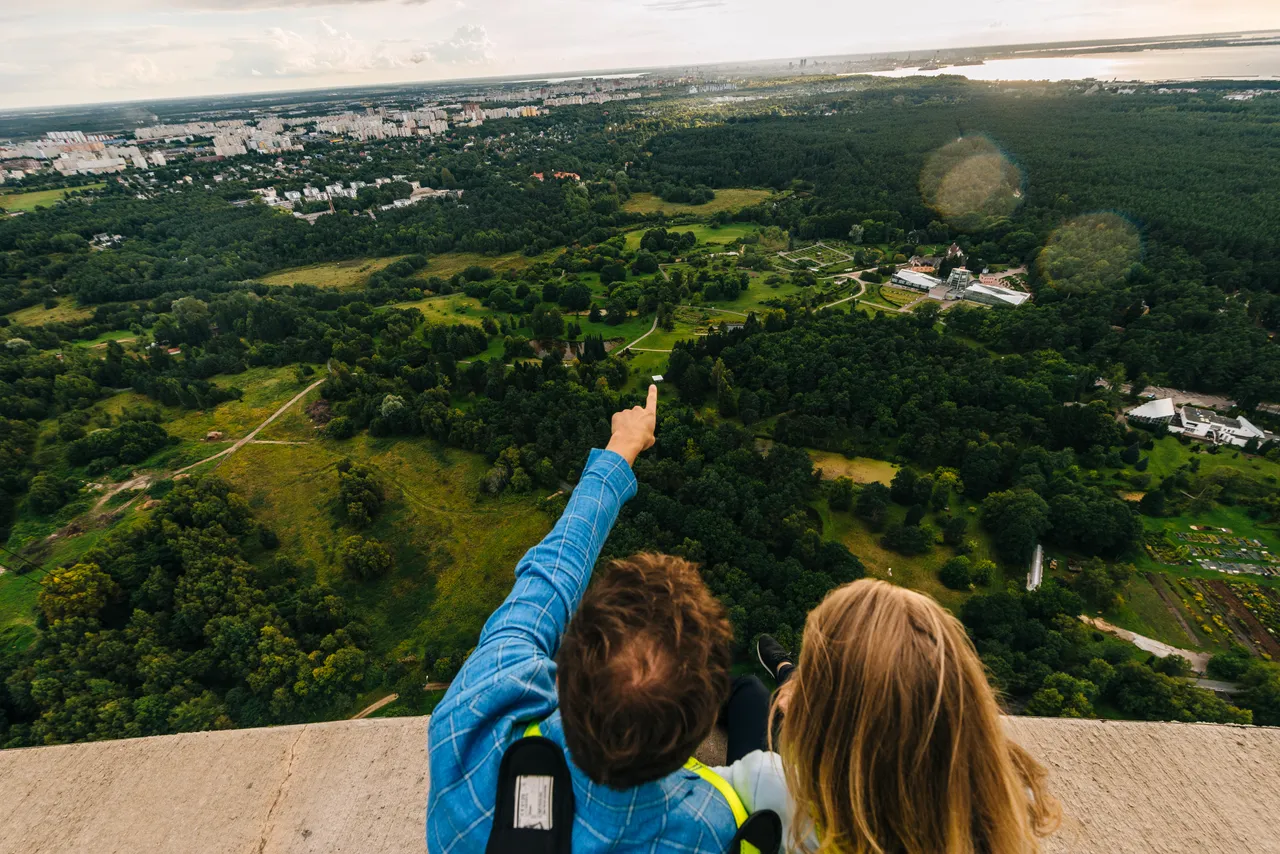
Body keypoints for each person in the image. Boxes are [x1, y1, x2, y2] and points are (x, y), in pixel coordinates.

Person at [426, 385, 744, 853]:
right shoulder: (704, 826)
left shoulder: (470, 720)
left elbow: (553, 570)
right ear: (693, 742)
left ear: (566, 659)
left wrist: (623, 447)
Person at [714, 579, 1061, 853]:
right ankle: (792, 675)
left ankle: (791, 675)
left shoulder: (771, 785)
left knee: (750, 693)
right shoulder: (987, 825)